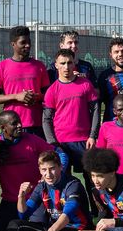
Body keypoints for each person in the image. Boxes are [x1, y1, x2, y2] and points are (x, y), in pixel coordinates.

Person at [0, 110, 55, 231]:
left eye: (20, 122)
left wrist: (47, 175)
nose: (20, 125)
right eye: (14, 124)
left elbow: (56, 154)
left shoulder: (32, 140)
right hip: (10, 200)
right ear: (3, 128)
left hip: (34, 199)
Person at [42, 48, 100, 181]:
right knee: (62, 182)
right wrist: (52, 143)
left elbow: (95, 110)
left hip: (84, 142)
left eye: (69, 63)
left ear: (74, 64)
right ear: (56, 65)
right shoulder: (52, 90)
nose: (66, 66)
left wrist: (92, 136)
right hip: (62, 144)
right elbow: (46, 119)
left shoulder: (85, 84)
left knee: (93, 182)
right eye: (62, 63)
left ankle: (93, 202)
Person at [0, 25, 51, 136]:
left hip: (37, 125)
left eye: (29, 42)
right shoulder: (2, 66)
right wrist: (17, 96)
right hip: (11, 125)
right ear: (13, 44)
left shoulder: (39, 66)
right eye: (23, 43)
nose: (27, 45)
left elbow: (48, 95)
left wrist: (35, 97)